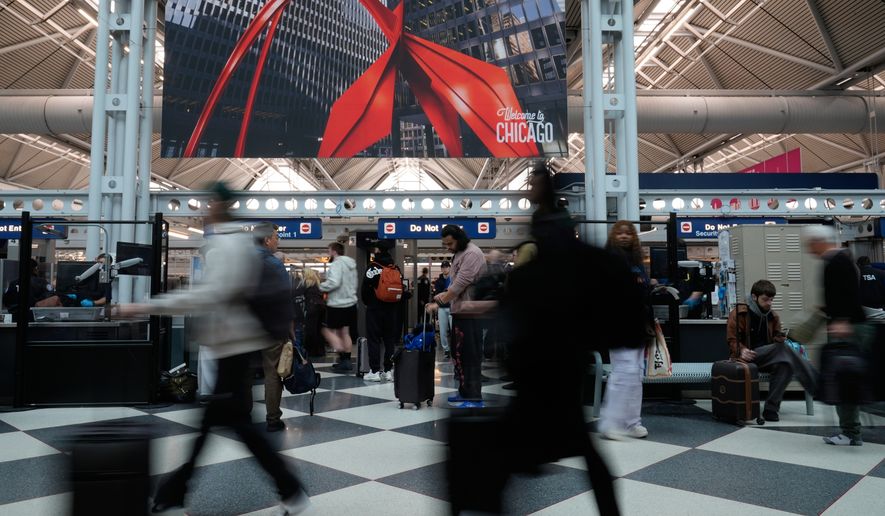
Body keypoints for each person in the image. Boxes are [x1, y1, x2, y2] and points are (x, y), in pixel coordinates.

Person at [450, 164, 644, 515]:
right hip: (566, 382)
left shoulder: (528, 278)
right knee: (590, 460)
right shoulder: (598, 265)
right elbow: (630, 329)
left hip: (534, 390)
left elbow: (505, 343)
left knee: (501, 464)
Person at [120, 182, 309, 515]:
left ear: (221, 205)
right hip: (232, 346)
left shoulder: (228, 246)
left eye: (209, 203)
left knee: (230, 427)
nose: (205, 209)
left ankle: (287, 489)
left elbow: (209, 296)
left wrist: (146, 306)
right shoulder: (234, 243)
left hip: (232, 347)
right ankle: (176, 494)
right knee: (223, 425)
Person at [804, 226, 871, 446]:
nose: (809, 248)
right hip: (849, 325)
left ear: (819, 241)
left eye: (810, 243)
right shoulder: (841, 260)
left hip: (846, 329)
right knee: (846, 380)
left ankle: (851, 432)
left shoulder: (836, 262)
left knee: (844, 381)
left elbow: (847, 295)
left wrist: (840, 320)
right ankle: (851, 430)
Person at [725, 279, 818, 422]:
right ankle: (815, 382)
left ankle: (771, 409)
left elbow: (775, 339)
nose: (769, 303)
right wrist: (742, 350)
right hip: (745, 358)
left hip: (766, 357)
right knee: (784, 350)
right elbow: (732, 340)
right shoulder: (739, 313)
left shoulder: (773, 316)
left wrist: (781, 337)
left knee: (785, 365)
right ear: (754, 297)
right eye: (765, 299)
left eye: (771, 300)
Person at [599, 220, 652, 439]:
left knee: (635, 374)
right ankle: (609, 423)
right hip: (617, 325)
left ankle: (631, 422)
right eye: (619, 233)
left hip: (638, 325)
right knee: (623, 372)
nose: (623, 237)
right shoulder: (608, 260)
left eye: (628, 233)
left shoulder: (637, 261)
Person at [426, 225, 486, 408]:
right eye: (445, 244)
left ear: (459, 238)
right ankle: (464, 391)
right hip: (460, 310)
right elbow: (454, 283)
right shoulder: (460, 253)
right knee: (458, 353)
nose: (448, 247)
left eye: (450, 243)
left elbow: (461, 283)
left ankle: (475, 397)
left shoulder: (472, 254)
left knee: (470, 355)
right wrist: (443, 294)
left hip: (471, 312)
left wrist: (440, 302)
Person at [253, 222, 293, 432]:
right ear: (267, 240)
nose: (278, 241)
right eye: (276, 237)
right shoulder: (275, 264)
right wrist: (289, 328)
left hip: (245, 327)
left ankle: (241, 416)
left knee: (242, 373)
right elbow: (285, 298)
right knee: (272, 373)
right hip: (270, 327)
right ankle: (273, 419)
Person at [361, 247, 401, 382]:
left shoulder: (372, 267)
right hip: (392, 309)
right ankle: (389, 371)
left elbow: (365, 287)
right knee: (389, 340)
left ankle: (375, 371)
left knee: (374, 339)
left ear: (377, 251)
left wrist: (367, 302)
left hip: (375, 308)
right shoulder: (395, 268)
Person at [319, 241, 358, 373]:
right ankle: (346, 360)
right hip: (351, 303)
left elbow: (334, 282)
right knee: (344, 332)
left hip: (337, 304)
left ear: (334, 251)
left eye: (329, 251)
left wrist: (320, 286)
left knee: (326, 331)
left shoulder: (336, 264)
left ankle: (340, 352)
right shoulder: (351, 265)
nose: (328, 253)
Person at [294, 268, 325, 360]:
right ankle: (320, 351)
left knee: (310, 330)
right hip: (321, 308)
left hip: (312, 308)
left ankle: (311, 351)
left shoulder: (306, 283)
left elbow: (296, 293)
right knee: (318, 330)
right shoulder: (317, 283)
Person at [432, 261, 452, 359]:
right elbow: (436, 296)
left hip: (452, 308)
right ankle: (446, 350)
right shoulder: (439, 281)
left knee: (454, 330)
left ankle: (455, 349)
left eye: (446, 267)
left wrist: (443, 294)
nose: (445, 269)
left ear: (449, 268)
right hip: (442, 308)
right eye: (443, 267)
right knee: (443, 331)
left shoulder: (453, 279)